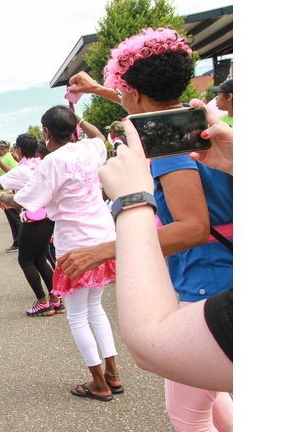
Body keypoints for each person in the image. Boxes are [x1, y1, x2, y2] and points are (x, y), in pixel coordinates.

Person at [65, 28, 233, 429]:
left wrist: (105, 249)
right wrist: (99, 89)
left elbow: (193, 228)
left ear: (135, 92)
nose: (120, 95)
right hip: (225, 275)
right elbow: (143, 106)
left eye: (122, 89)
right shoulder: (207, 123)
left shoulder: (170, 152)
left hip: (205, 284)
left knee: (188, 414)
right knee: (217, 392)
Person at [99, 114, 232, 393]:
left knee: (189, 413)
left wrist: (131, 201)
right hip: (211, 270)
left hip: (205, 276)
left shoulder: (171, 155)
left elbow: (150, 346)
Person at [3, 106, 122, 401]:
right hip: (105, 237)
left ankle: (99, 383)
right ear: (73, 129)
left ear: (46, 133)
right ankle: (113, 374)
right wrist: (78, 117)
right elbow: (98, 136)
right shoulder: (89, 148)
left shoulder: (52, 161)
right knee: (96, 309)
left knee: (78, 315)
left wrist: (6, 197)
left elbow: (26, 201)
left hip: (76, 244)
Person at [0, 135, 63, 315]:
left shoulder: (22, 170)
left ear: (19, 151)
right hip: (48, 217)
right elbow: (16, 173)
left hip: (33, 220)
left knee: (25, 261)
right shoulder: (40, 165)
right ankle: (56, 301)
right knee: (40, 260)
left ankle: (43, 303)